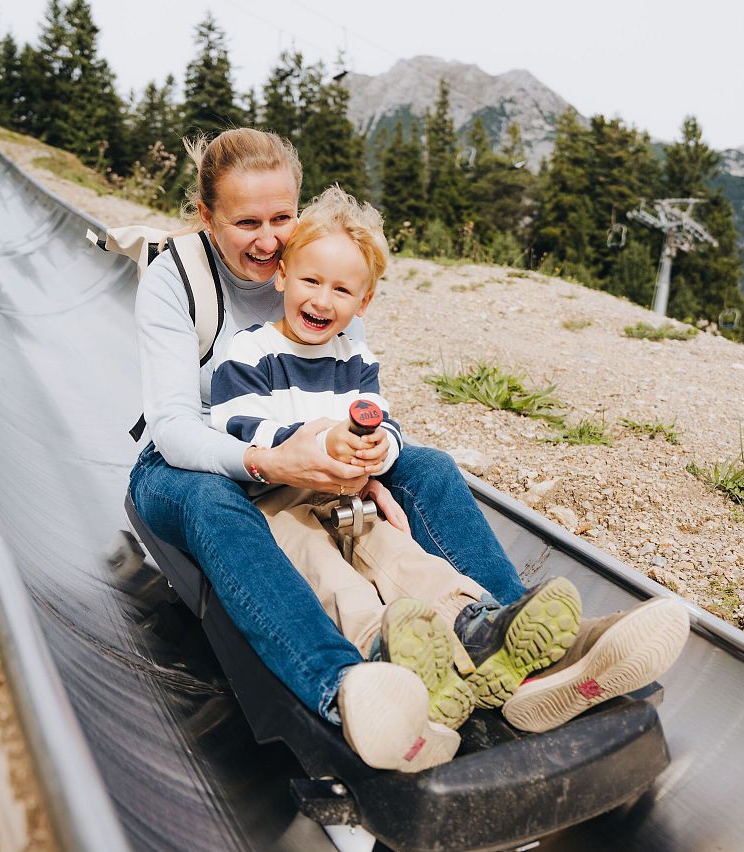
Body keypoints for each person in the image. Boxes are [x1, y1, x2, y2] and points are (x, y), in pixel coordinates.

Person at [129, 128, 689, 772]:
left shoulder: (327, 271)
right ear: (206, 217)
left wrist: (366, 459)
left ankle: (515, 643)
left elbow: (358, 394)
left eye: (282, 217)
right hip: (192, 463)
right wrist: (272, 461)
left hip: (317, 462)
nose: (268, 238)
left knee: (426, 467)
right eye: (245, 222)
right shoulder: (176, 278)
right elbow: (174, 427)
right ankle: (346, 687)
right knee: (218, 502)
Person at [209, 185, 583, 732]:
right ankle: (384, 646)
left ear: (363, 303)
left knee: (397, 553)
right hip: (276, 501)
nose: (321, 300)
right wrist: (317, 442)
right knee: (330, 573)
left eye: (341, 290)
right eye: (311, 280)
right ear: (282, 275)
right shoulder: (248, 350)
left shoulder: (355, 357)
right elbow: (237, 426)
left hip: (347, 496)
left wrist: (381, 448)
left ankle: (475, 625)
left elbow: (383, 423)